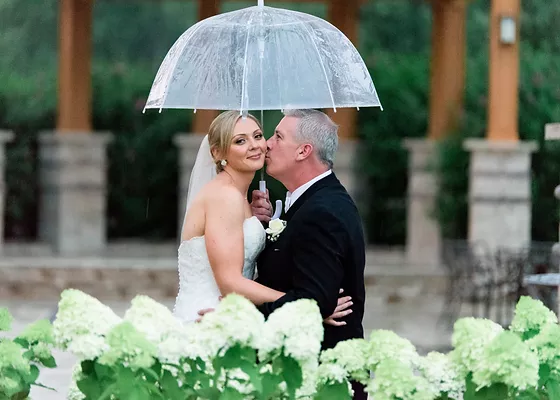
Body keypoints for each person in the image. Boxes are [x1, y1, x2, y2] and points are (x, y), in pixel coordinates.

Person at [172, 110, 351, 325]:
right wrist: (307, 306)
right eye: (240, 141)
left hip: (236, 315)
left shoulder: (240, 198)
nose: (255, 145)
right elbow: (230, 283)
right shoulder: (225, 197)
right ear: (217, 153)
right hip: (210, 316)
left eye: (257, 136)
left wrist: (254, 221)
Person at [251, 109, 367, 400]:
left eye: (278, 137)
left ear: (304, 151)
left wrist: (241, 316)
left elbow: (313, 299)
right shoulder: (308, 201)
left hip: (322, 379)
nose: (267, 144)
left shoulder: (322, 212)